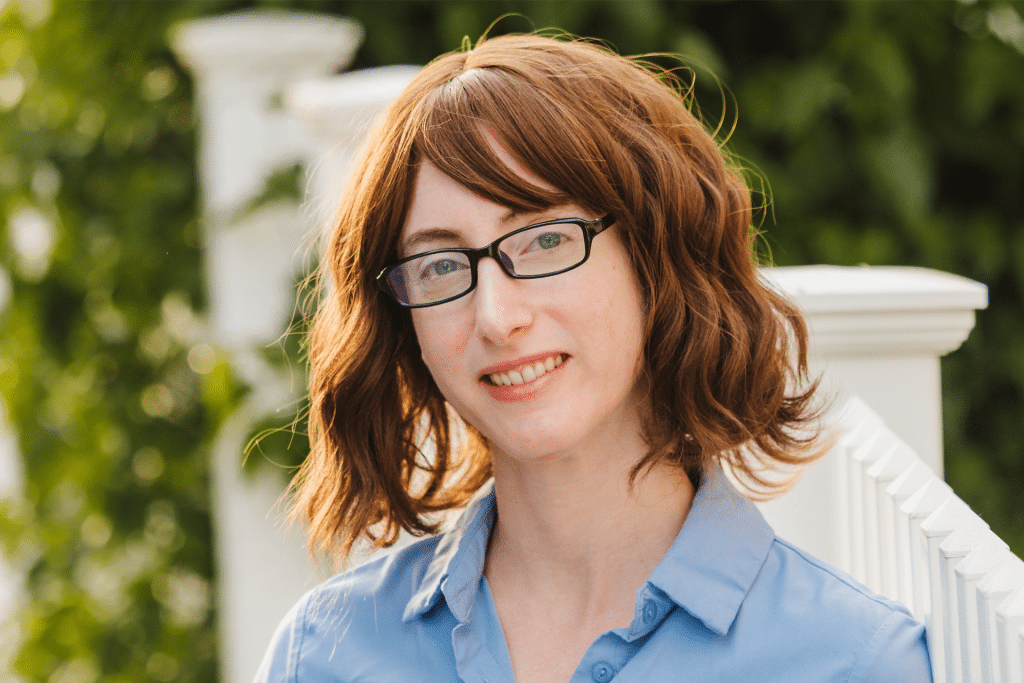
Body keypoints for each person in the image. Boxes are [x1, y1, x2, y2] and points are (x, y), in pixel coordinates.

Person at [255, 33, 931, 683]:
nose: (496, 315)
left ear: (655, 254)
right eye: (439, 266)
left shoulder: (851, 662)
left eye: (545, 241)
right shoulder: (323, 655)